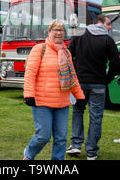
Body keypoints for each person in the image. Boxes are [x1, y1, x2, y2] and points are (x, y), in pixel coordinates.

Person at [23, 20, 85, 160]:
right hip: (42, 102)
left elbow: (72, 77)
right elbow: (30, 73)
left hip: (62, 103)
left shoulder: (66, 52)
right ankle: (28, 154)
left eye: (61, 30)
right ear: (49, 32)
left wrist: (79, 96)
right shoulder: (40, 49)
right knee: (43, 136)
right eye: (55, 30)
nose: (58, 33)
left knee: (61, 138)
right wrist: (28, 94)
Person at [66, 14, 120, 160]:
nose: (110, 27)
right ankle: (91, 151)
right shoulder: (108, 40)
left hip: (80, 82)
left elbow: (68, 56)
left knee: (78, 111)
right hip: (98, 83)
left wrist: (74, 76)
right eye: (108, 24)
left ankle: (76, 145)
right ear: (99, 23)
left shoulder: (78, 35)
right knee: (96, 116)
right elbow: (116, 64)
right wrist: (106, 79)